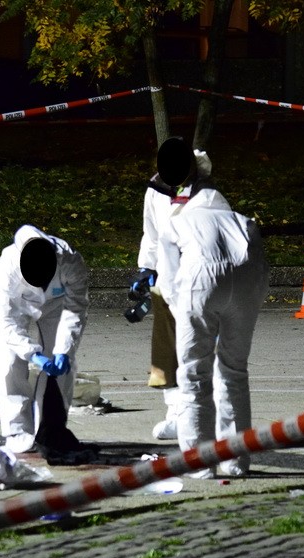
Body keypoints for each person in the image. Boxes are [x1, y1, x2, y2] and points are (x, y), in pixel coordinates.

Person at [151, 138, 269, 477]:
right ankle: (236, 461)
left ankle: (200, 464)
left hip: (199, 285)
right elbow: (261, 273)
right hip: (246, 290)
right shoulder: (243, 222)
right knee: (234, 372)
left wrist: (185, 313)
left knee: (194, 375)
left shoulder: (178, 222)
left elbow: (170, 282)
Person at [131, 141, 214, 441]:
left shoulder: (206, 195)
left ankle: (196, 415)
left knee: (194, 352)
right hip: (165, 284)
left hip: (197, 284)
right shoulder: (155, 192)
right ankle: (174, 413)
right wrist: (145, 269)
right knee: (167, 353)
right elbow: (151, 234)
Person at [0, 224, 89, 455]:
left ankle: (52, 426)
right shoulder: (3, 272)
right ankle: (16, 430)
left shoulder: (71, 261)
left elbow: (76, 308)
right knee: (10, 364)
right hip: (18, 308)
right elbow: (6, 323)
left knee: (64, 365)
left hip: (57, 306)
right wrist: (33, 354)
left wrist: (64, 349)